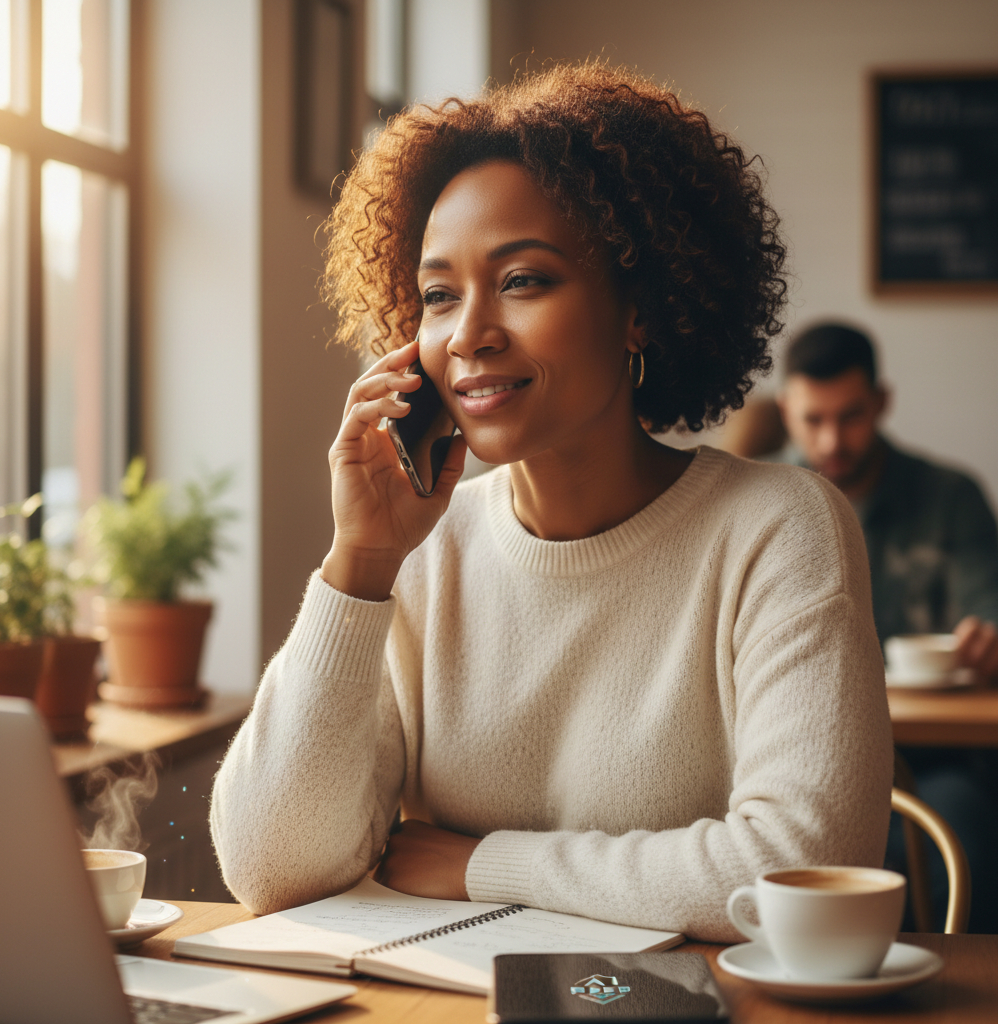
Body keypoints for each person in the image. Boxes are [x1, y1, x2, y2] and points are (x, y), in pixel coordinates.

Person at [210, 63, 892, 942]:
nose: (468, 334)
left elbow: (801, 868)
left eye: (523, 280)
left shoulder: (780, 527)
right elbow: (272, 868)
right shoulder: (420, 551)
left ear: (639, 309)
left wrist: (480, 863)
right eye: (439, 295)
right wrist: (362, 566)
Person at [775, 322, 998, 931]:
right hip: (785, 753)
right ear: (784, 410)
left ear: (880, 403)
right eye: (812, 419)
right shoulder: (757, 500)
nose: (831, 440)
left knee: (964, 839)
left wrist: (988, 641)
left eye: (850, 417)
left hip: (931, 758)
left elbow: (990, 609)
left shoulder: (950, 497)